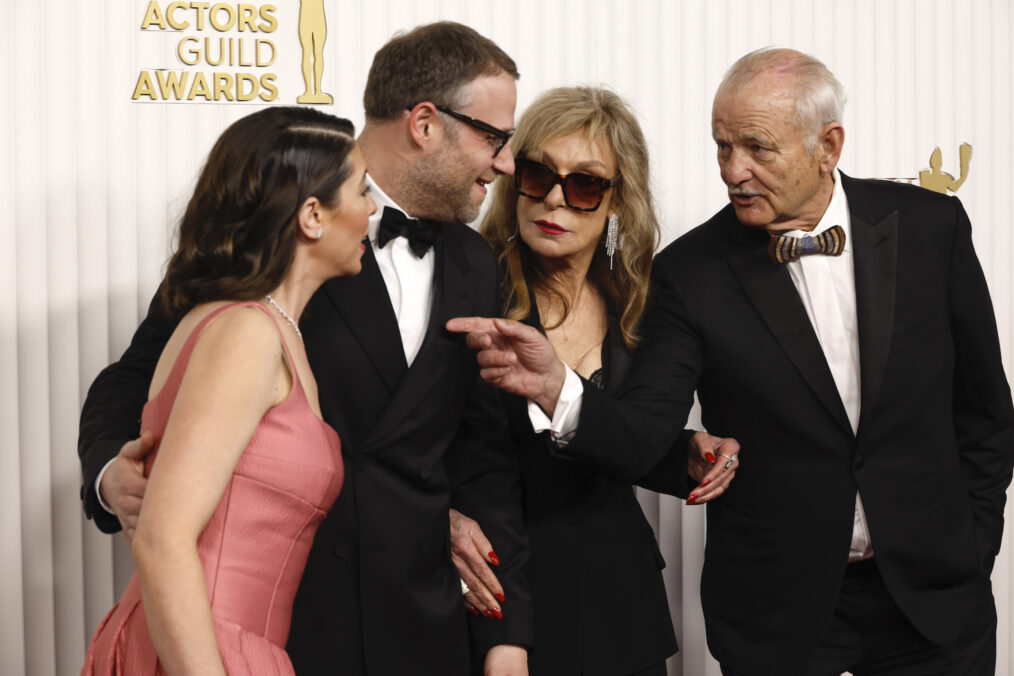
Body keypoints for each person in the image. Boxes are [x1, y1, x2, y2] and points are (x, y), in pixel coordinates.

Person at [449, 47, 1014, 675]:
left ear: (828, 146)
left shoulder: (932, 226)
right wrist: (562, 390)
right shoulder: (690, 274)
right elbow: (643, 430)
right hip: (779, 615)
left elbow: (984, 410)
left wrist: (973, 546)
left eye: (757, 148)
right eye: (722, 146)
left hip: (936, 604)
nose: (733, 171)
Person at [79, 22, 531, 676]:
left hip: (421, 629)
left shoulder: (474, 263)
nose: (506, 162)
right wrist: (109, 475)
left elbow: (481, 452)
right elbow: (136, 382)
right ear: (426, 124)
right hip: (280, 628)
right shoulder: (270, 241)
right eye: (495, 138)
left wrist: (505, 639)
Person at [450, 86, 737, 676]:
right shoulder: (464, 287)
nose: (554, 200)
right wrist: (438, 521)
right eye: (537, 175)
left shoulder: (645, 305)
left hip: (614, 605)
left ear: (616, 201)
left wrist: (682, 453)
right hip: (493, 596)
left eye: (584, 185)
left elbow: (630, 437)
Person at [81, 106, 373, 674]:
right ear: (312, 215)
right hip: (203, 649)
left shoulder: (268, 329)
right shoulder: (245, 332)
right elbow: (164, 538)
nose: (372, 211)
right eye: (362, 192)